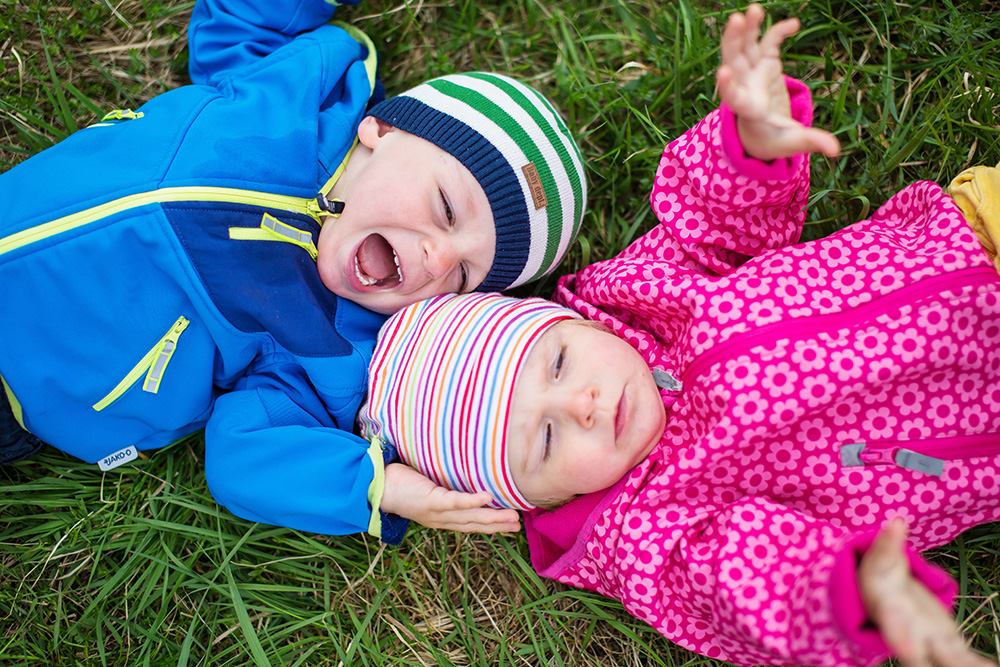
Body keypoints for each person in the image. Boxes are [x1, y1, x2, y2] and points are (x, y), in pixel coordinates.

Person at [358, 5, 1000, 666]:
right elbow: (750, 579)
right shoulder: (649, 534)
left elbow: (709, 222)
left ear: (567, 321)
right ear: (540, 500)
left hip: (962, 240)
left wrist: (749, 139)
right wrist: (846, 592)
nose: (579, 403)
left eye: (557, 365)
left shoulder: (641, 298)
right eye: (546, 439)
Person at [0, 0, 586, 544]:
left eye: (463, 276)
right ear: (382, 132)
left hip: (24, 385)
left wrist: (376, 486)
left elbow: (243, 457)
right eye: (447, 209)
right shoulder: (303, 90)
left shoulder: (331, 352)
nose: (438, 258)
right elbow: (238, 25)